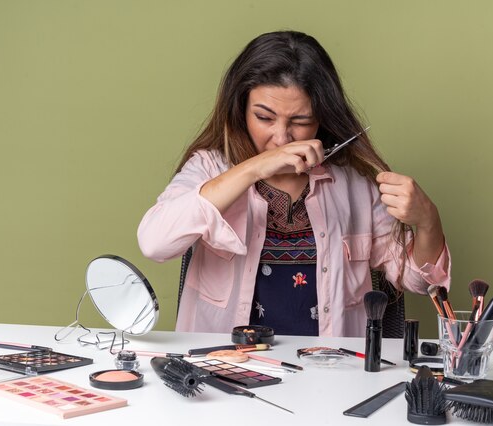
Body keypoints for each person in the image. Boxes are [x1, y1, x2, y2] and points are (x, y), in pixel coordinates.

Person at [137, 30, 450, 337]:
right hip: (227, 372)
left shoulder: (355, 183)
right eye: (264, 117)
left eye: (300, 122)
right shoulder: (208, 168)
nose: (281, 138)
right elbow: (154, 243)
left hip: (332, 373)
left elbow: (420, 282)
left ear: (322, 119)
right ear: (241, 109)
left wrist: (428, 222)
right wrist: (253, 168)